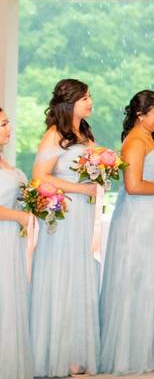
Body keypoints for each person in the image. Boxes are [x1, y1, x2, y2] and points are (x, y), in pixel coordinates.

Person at [99, 90, 154, 375]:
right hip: (139, 220)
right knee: (138, 282)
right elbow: (133, 185)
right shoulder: (135, 142)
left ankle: (149, 348)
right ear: (140, 114)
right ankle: (129, 353)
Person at [30, 79, 101, 377]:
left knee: (79, 277)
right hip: (65, 213)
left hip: (84, 215)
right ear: (70, 102)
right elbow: (39, 177)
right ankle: (57, 353)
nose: (90, 102)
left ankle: (75, 351)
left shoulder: (82, 133)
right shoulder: (54, 134)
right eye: (85, 98)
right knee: (64, 277)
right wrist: (79, 189)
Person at [0, 107, 33, 379]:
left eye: (7, 122)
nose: (8, 128)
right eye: (3, 124)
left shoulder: (5, 163)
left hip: (11, 239)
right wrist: (19, 215)